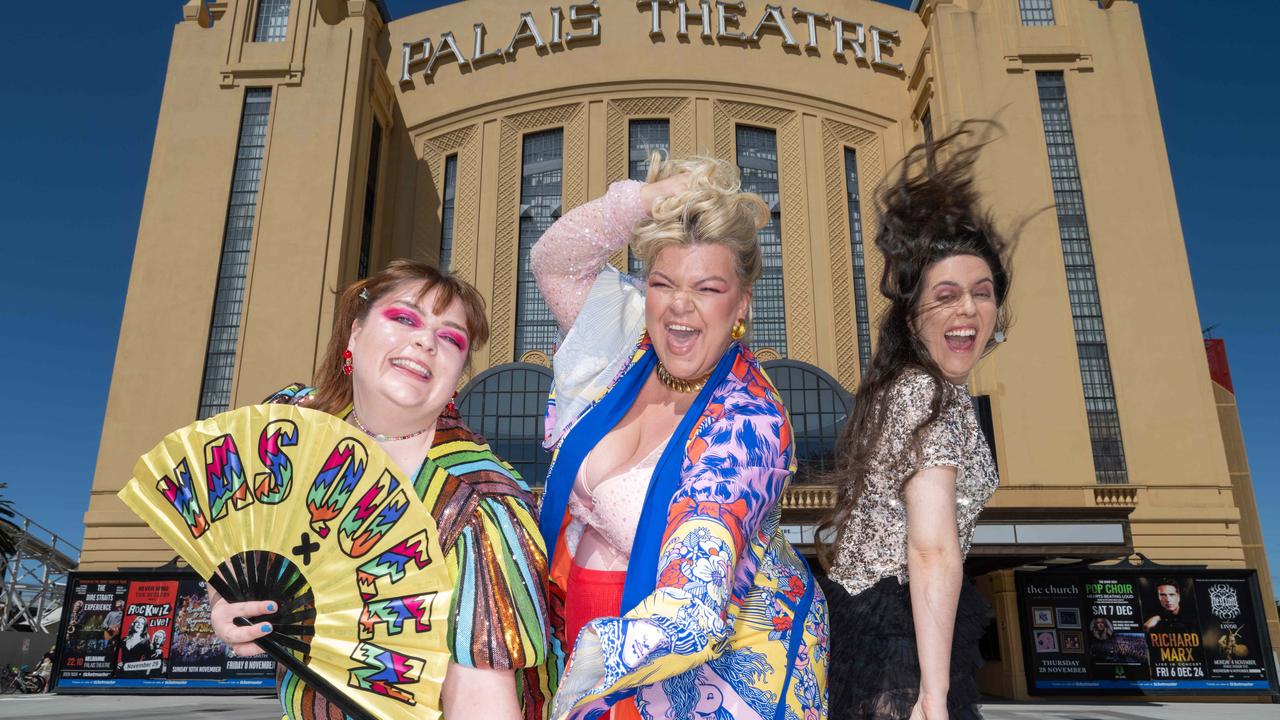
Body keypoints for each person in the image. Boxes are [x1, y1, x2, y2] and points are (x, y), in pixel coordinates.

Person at [532, 155, 828, 720]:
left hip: (701, 675)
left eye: (707, 288)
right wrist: (647, 199)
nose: (679, 305)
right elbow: (556, 261)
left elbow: (694, 596)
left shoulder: (750, 422)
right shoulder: (625, 339)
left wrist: (567, 689)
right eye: (663, 283)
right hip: (584, 625)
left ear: (740, 304)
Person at [207, 260, 552, 720]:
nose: (426, 340)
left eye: (450, 338)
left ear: (457, 375)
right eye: (405, 318)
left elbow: (480, 696)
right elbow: (229, 538)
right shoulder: (286, 430)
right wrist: (227, 603)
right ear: (354, 334)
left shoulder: (479, 503)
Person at [816, 124, 1012, 720]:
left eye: (982, 292)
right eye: (946, 294)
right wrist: (933, 693)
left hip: (877, 627)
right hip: (897, 637)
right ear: (912, 315)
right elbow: (930, 549)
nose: (968, 309)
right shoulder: (926, 394)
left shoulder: (914, 390)